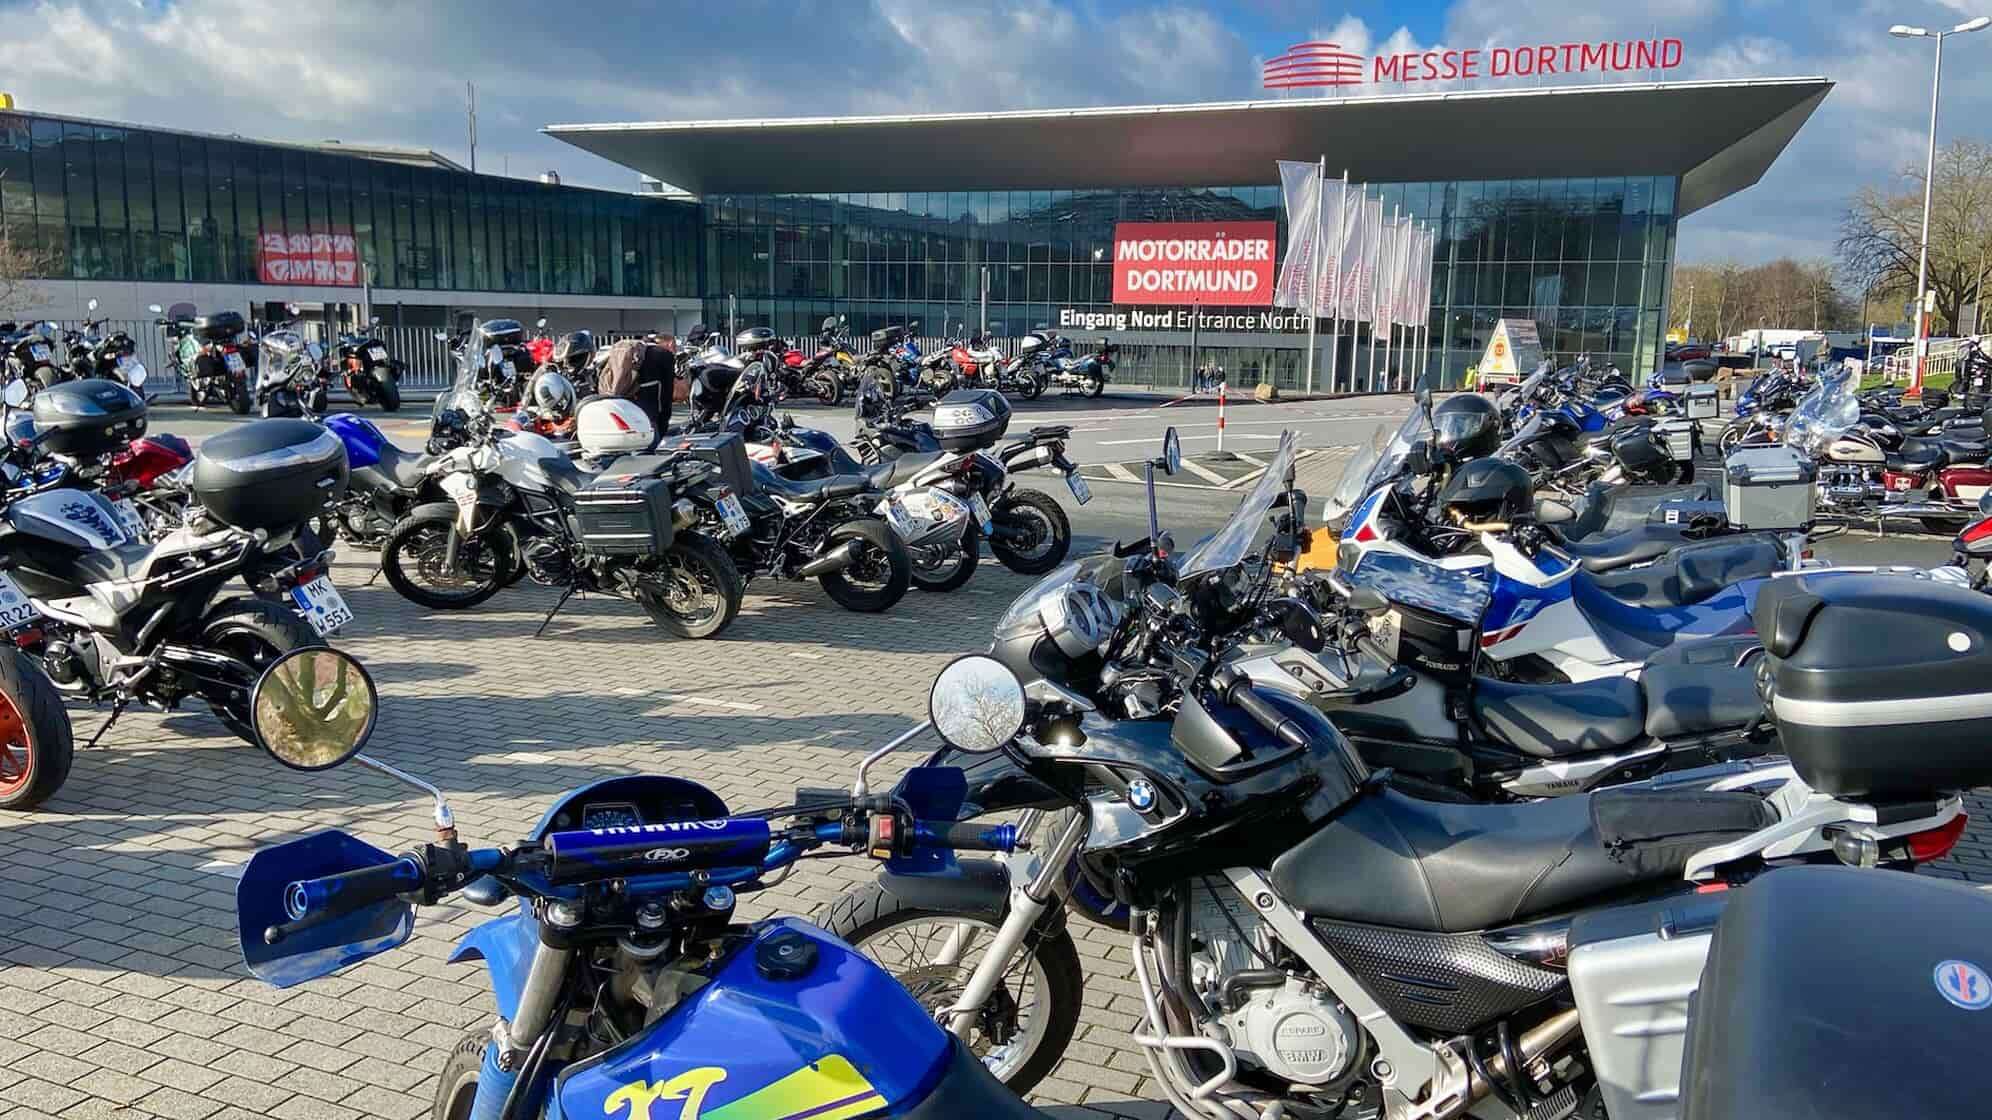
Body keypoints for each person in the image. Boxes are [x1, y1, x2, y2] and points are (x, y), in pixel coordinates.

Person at [634, 332, 677, 434]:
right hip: (654, 402)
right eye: (675, 347)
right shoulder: (665, 355)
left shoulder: (638, 351)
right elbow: (668, 386)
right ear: (670, 344)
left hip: (633, 396)